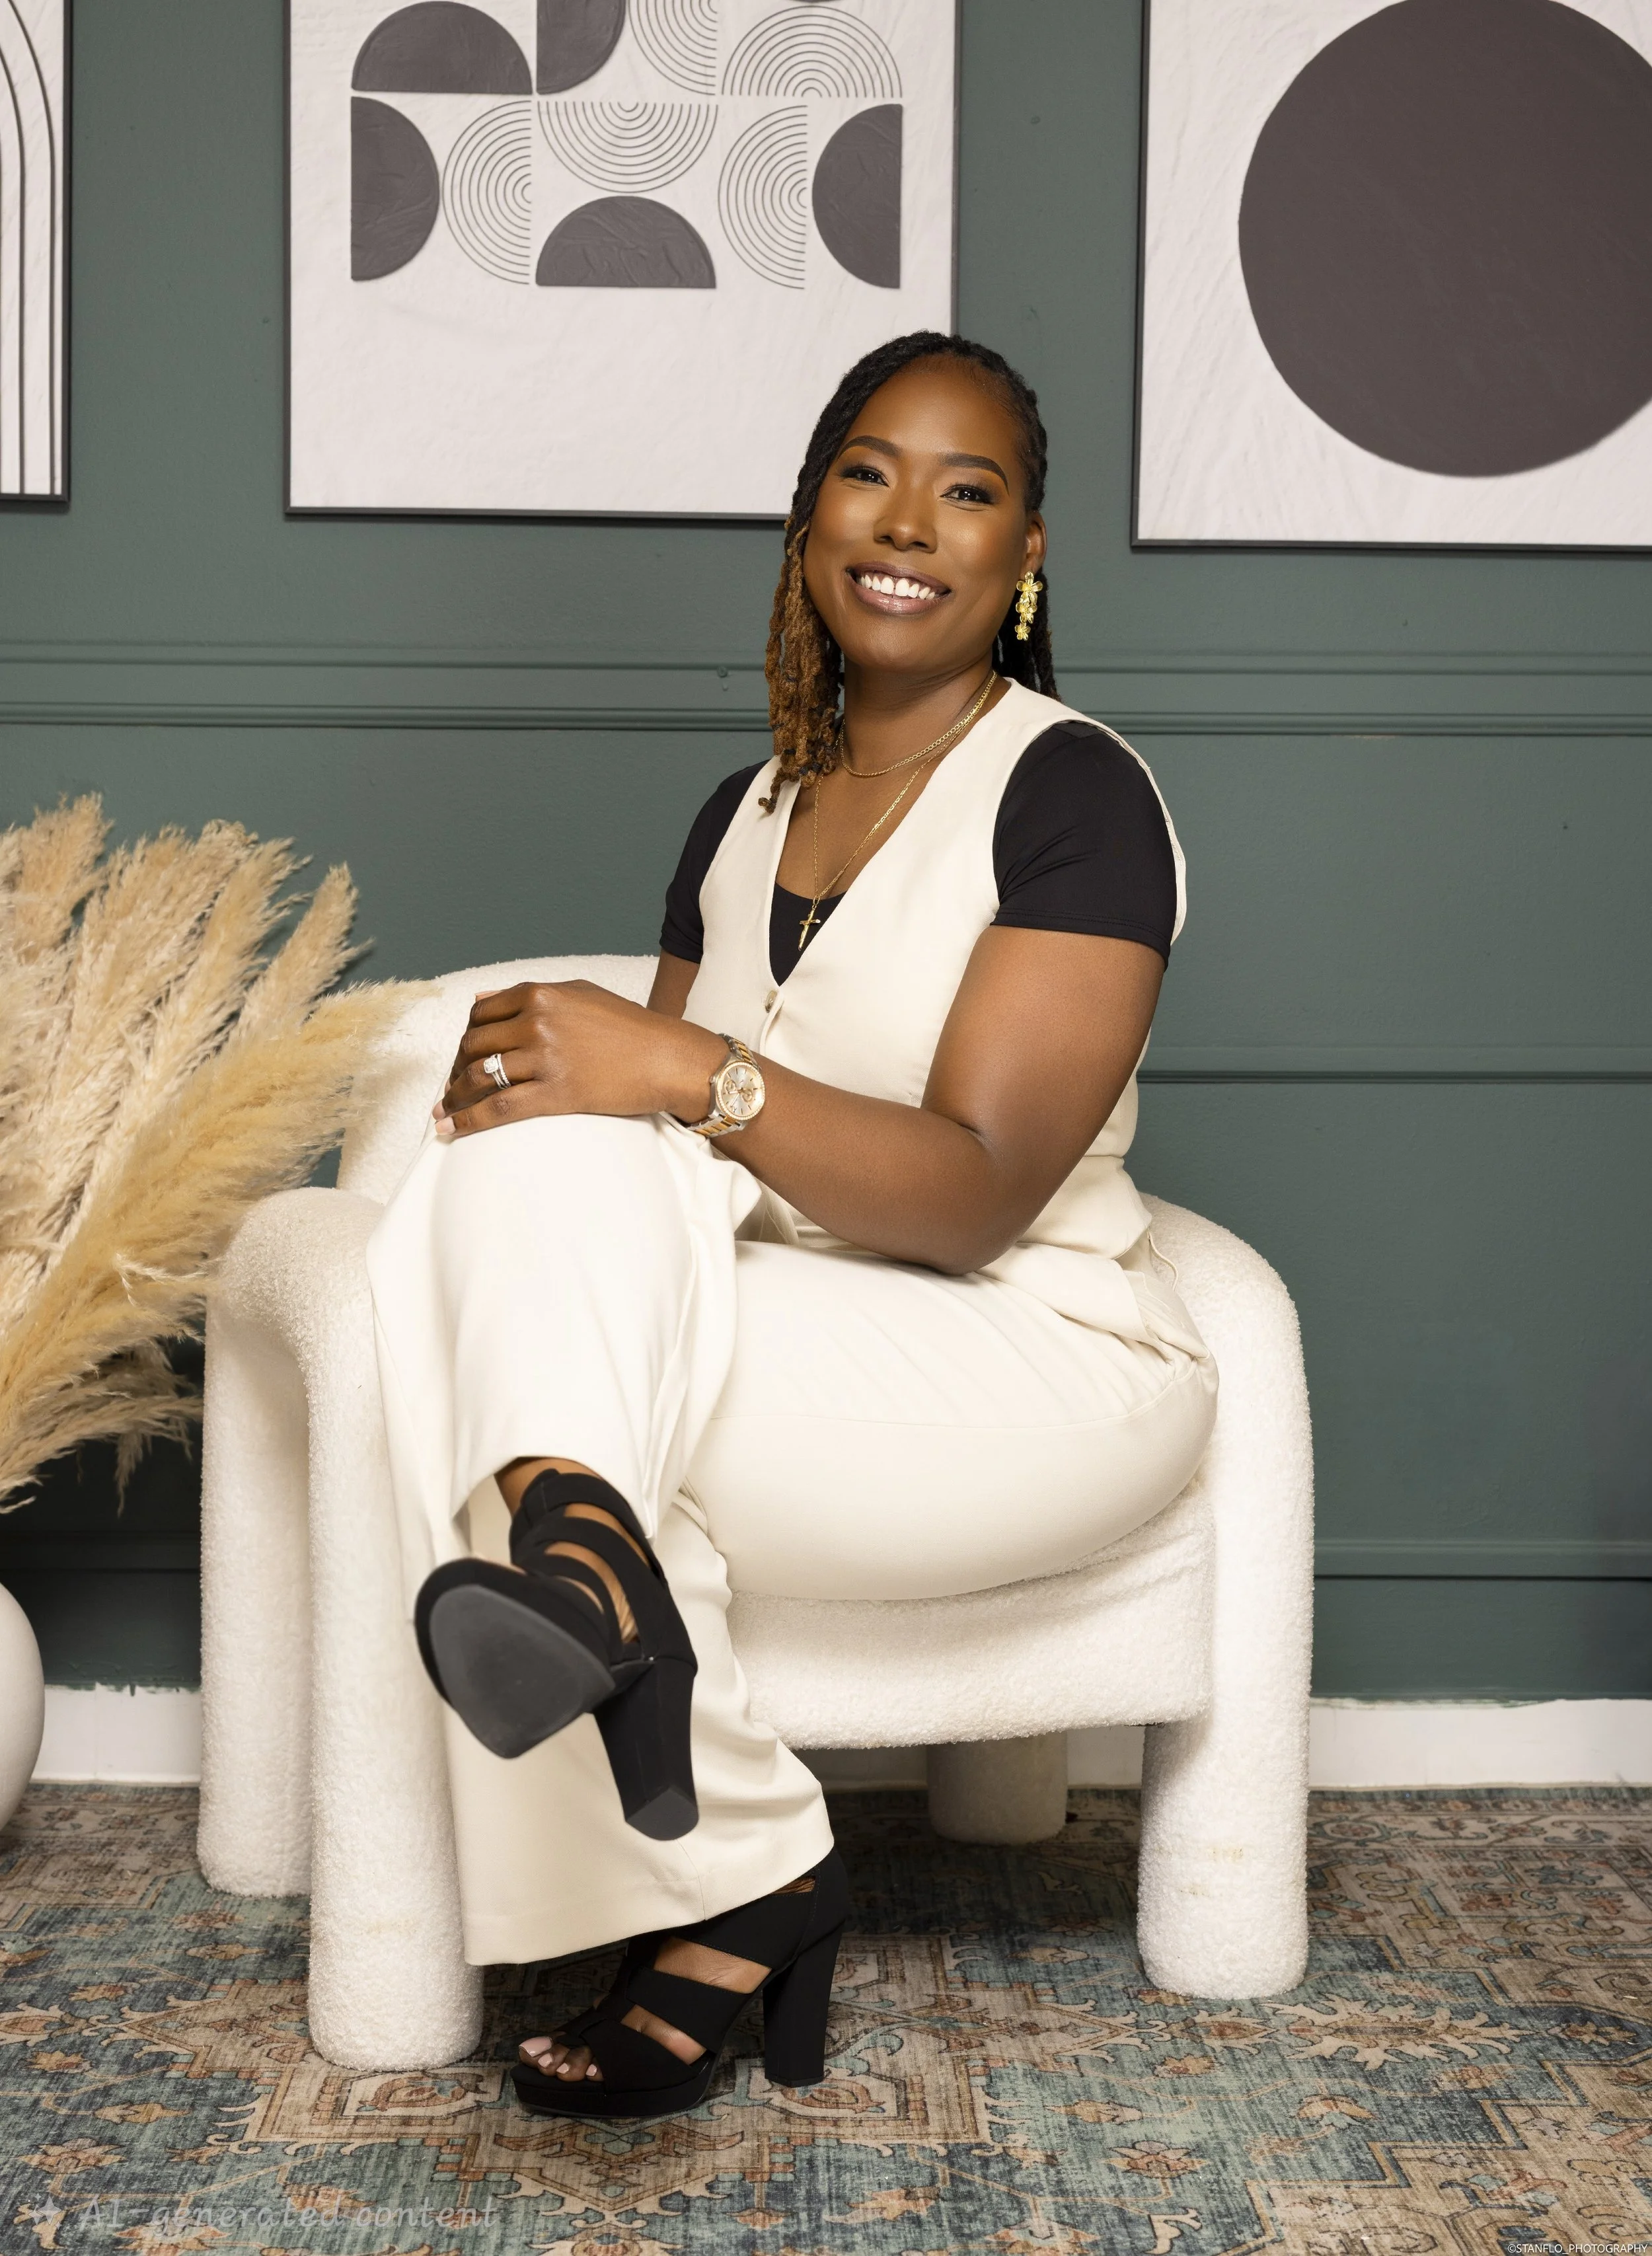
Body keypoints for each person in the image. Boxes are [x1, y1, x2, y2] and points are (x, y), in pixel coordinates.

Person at [365, 330, 1218, 2123]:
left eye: (965, 488)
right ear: (806, 517)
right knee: (526, 1194)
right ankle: (665, 1711)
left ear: (1027, 549)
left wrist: (680, 1063)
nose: (908, 519)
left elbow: (979, 1189)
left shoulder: (1074, 796)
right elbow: (654, 1155)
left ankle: (695, 1810)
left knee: (517, 1383)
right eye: (866, 470)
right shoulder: (741, 812)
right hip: (798, 1325)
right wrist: (549, 1111)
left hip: (1029, 1363)